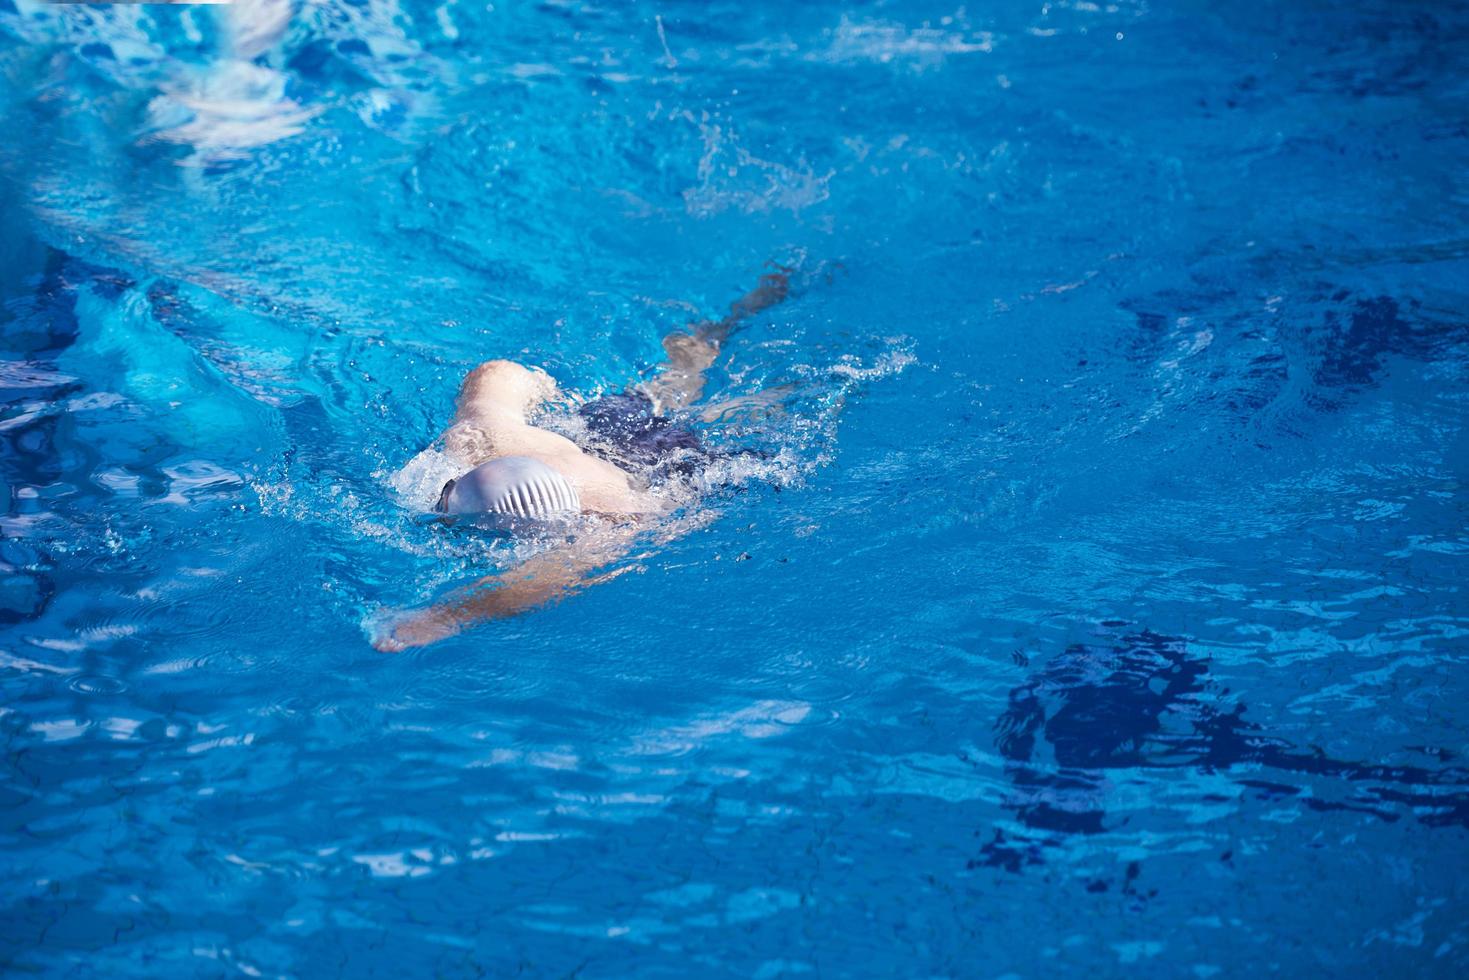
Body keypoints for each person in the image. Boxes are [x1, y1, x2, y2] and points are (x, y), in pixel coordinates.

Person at [372, 268, 792, 651]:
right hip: (606, 432)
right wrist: (541, 386)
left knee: (744, 420)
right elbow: (496, 372)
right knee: (678, 377)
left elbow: (546, 579)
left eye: (446, 502)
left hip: (665, 473)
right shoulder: (481, 440)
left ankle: (781, 387)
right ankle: (736, 321)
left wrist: (444, 617)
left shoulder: (609, 525)